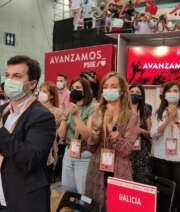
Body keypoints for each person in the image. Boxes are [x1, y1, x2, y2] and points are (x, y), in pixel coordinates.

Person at [0, 55, 56, 212]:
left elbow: (31, 158)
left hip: (20, 204)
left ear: (32, 84)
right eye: (8, 75)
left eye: (17, 76)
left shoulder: (42, 116)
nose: (9, 80)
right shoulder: (0, 112)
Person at [86, 72, 139, 207]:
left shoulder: (131, 116)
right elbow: (91, 148)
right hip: (97, 169)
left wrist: (112, 129)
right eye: (106, 86)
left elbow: (126, 151)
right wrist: (96, 129)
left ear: (121, 91)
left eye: (113, 86)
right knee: (96, 206)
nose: (109, 90)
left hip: (119, 172)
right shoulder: (98, 111)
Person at [151, 81, 180, 212]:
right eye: (169, 91)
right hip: (161, 159)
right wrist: (166, 121)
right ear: (164, 95)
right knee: (164, 196)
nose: (172, 94)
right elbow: (153, 134)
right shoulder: (158, 112)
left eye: (175, 91)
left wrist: (176, 119)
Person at [57, 77, 94, 194]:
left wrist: (76, 116)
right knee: (68, 190)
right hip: (68, 153)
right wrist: (63, 120)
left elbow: (88, 136)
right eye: (72, 88)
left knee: (83, 192)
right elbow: (61, 135)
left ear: (85, 91)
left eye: (78, 88)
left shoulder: (92, 108)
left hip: (84, 155)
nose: (74, 90)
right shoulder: (70, 106)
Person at [128, 83, 152, 184]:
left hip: (143, 153)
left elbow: (151, 134)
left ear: (141, 96)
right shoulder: (122, 111)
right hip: (126, 152)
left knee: (142, 183)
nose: (134, 94)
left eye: (138, 92)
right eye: (132, 92)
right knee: (127, 182)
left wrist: (139, 130)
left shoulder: (145, 110)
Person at [39, 81, 62, 182]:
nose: (41, 93)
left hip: (48, 153)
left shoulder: (57, 111)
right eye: (40, 91)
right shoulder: (34, 108)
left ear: (52, 96)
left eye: (44, 91)